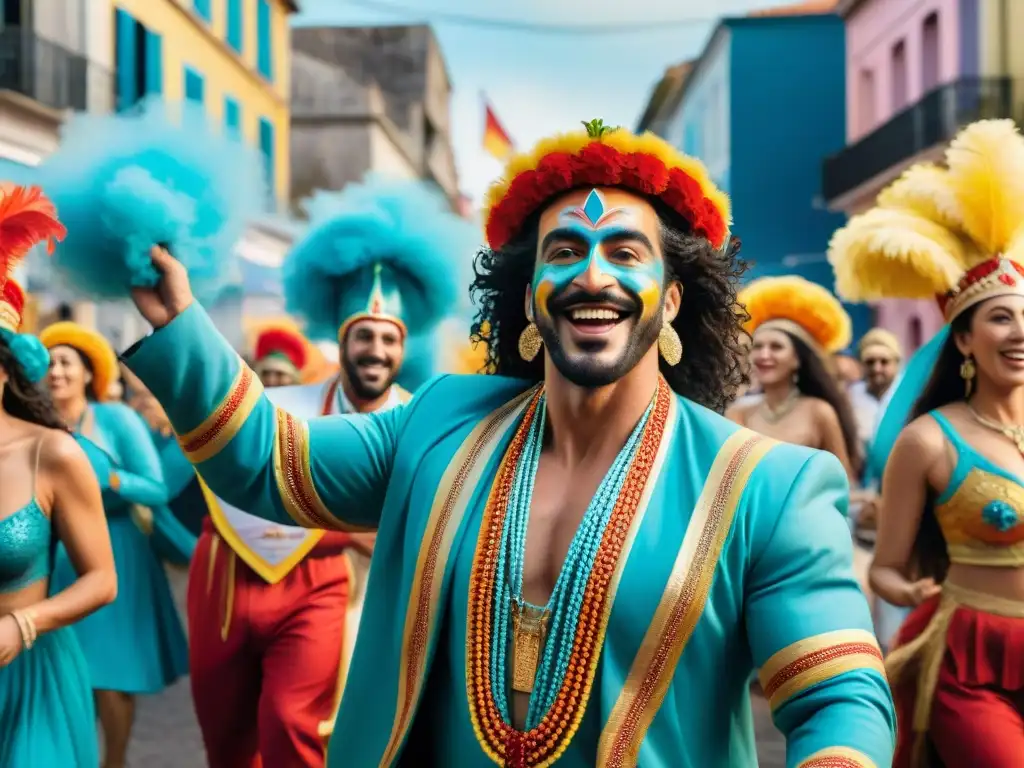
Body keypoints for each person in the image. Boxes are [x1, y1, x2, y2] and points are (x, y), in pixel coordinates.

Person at [120, 119, 894, 766]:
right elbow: (271, 463)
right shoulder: (441, 421)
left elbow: (837, 697)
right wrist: (181, 326)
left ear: (673, 304)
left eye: (626, 254)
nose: (594, 276)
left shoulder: (770, 485)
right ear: (528, 299)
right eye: (565, 253)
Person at [186, 179, 466, 768]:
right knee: (231, 736)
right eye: (363, 336)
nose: (376, 350)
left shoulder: (425, 419)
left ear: (403, 347)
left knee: (304, 725)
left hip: (367, 603)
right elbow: (238, 470)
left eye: (389, 339)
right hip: (254, 584)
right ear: (341, 342)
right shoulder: (284, 410)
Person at [829, 118, 1024, 766]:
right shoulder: (928, 442)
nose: (1019, 331)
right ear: (964, 340)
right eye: (1001, 317)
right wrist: (907, 590)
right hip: (969, 660)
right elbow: (885, 566)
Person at [0, 184, 117, 767]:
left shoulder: (53, 455)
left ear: (6, 368)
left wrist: (23, 623)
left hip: (31, 675)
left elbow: (101, 580)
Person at [40, 319, 189, 768]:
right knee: (68, 680)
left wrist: (109, 478)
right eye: (49, 363)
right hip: (57, 557)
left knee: (112, 680)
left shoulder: (116, 418)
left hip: (115, 551)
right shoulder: (36, 422)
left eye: (66, 362)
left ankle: (116, 763)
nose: (57, 372)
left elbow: (156, 488)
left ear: (89, 372)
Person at [728, 275, 861, 483]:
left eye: (776, 347)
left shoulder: (819, 412)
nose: (764, 355)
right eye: (758, 347)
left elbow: (842, 483)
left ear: (797, 359)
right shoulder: (738, 413)